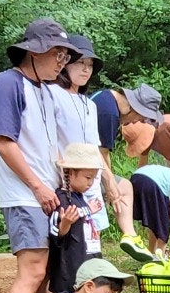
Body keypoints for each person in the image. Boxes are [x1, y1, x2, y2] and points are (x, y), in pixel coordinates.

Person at [0, 17, 80, 293]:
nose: (61, 61)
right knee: (31, 270)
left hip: (44, 193)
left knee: (44, 273)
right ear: (34, 51)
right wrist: (37, 186)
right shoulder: (8, 84)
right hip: (25, 194)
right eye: (57, 53)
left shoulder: (42, 89)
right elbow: (4, 142)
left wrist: (59, 182)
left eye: (64, 55)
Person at [51, 38, 153, 263]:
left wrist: (108, 181)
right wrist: (109, 183)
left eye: (89, 64)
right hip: (67, 176)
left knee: (93, 231)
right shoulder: (53, 96)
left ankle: (96, 280)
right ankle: (82, 284)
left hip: (89, 173)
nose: (86, 69)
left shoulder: (87, 103)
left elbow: (94, 146)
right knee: (75, 236)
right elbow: (100, 150)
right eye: (80, 63)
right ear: (65, 63)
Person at [47, 144, 104, 293]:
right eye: (87, 177)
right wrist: (65, 223)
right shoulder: (62, 199)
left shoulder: (80, 198)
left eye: (93, 178)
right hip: (70, 264)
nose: (90, 183)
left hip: (85, 257)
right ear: (71, 173)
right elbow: (57, 233)